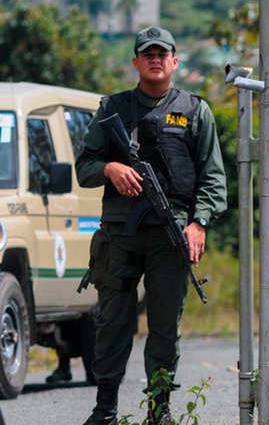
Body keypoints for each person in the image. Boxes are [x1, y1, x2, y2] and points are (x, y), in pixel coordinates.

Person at [75, 26, 227, 425]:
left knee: (164, 326)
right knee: (112, 323)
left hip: (170, 236)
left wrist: (199, 224)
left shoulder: (196, 111)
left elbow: (213, 178)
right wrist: (110, 167)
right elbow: (83, 168)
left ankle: (159, 411)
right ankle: (105, 409)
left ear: (175, 61)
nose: (156, 59)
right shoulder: (112, 109)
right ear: (136, 62)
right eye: (148, 53)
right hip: (120, 236)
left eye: (163, 53)